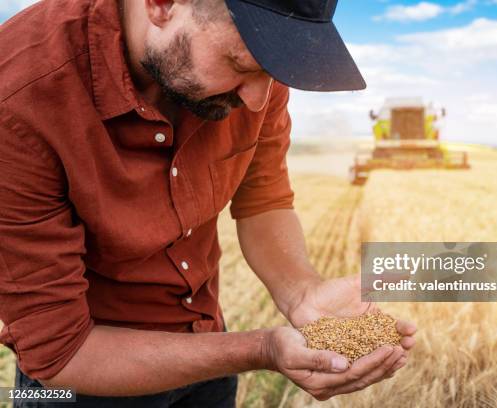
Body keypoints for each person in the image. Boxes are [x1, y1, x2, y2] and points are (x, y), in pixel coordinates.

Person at [0, 0, 417, 406]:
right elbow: (62, 352)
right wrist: (262, 350)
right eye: (240, 66)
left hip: (210, 346)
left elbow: (263, 197)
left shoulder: (258, 59)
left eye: (270, 72)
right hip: (89, 382)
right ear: (162, 5)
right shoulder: (18, 104)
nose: (258, 99)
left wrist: (301, 291)